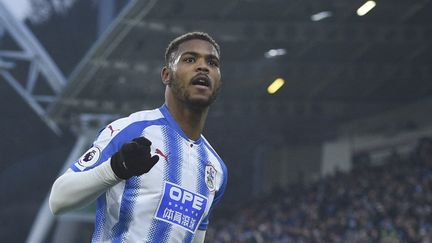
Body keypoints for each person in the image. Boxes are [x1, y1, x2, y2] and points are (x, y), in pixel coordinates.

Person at [49, 32, 228, 243]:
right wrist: (116, 169)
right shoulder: (132, 130)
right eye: (190, 59)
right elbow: (58, 200)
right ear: (166, 75)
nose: (203, 67)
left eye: (212, 62)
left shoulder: (216, 169)